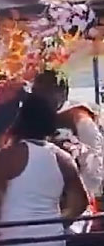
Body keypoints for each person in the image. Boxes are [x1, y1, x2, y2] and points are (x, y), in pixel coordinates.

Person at [0, 93, 88, 246]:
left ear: (21, 121)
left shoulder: (9, 155)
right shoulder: (64, 159)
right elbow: (80, 204)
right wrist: (57, 223)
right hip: (54, 244)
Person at [33, 69, 104, 198]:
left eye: (46, 92)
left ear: (63, 93)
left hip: (74, 200)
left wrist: (76, 197)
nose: (39, 98)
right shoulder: (37, 118)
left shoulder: (81, 120)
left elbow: (93, 171)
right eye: (36, 92)